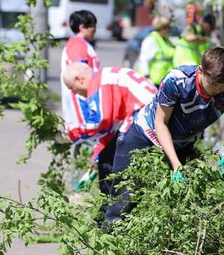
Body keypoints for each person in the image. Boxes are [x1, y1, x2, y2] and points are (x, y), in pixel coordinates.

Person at [104, 47, 224, 226]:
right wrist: (176, 165)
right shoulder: (177, 80)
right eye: (213, 85)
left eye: (222, 86)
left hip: (182, 143)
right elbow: (160, 124)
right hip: (145, 135)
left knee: (176, 204)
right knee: (123, 198)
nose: (216, 91)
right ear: (201, 71)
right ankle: (106, 241)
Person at [62, 63, 157, 199]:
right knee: (106, 156)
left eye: (72, 88)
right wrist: (95, 158)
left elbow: (100, 122)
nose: (74, 93)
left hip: (144, 119)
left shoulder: (98, 84)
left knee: (111, 164)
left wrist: (70, 133)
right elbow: (112, 127)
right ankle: (110, 205)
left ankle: (111, 208)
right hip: (148, 116)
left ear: (79, 80)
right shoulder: (106, 76)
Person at [61, 10, 100, 142]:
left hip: (84, 94)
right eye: (92, 26)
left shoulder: (81, 44)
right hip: (81, 96)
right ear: (81, 27)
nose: (95, 29)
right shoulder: (78, 44)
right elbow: (80, 73)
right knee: (85, 130)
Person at [134, 16, 176, 86]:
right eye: (168, 28)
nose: (169, 30)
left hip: (165, 81)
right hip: (154, 82)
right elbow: (144, 60)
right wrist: (147, 78)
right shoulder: (151, 40)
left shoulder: (166, 40)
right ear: (163, 28)